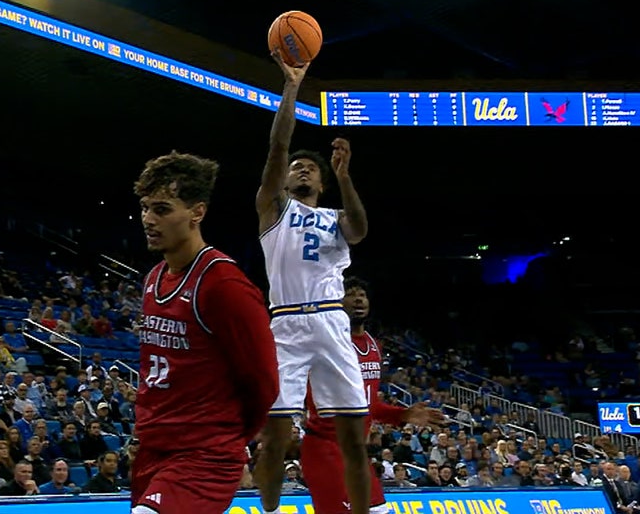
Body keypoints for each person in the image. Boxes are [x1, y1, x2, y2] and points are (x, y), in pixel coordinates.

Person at [253, 53, 372, 514]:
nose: (301, 169)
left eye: (311, 168)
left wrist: (345, 178)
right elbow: (277, 148)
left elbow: (360, 229)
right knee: (275, 437)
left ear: (321, 182)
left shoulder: (335, 215)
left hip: (330, 322)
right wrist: (291, 87)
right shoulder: (273, 208)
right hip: (284, 324)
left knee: (353, 442)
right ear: (284, 179)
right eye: (296, 167)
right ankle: (269, 510)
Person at [130, 152, 279, 514]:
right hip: (153, 449)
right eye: (146, 208)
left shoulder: (223, 284)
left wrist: (227, 438)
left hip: (204, 455)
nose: (149, 219)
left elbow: (264, 380)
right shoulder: (153, 279)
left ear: (197, 212)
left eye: (162, 209)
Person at [300, 278, 448, 514]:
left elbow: (370, 405)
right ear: (336, 301)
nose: (358, 299)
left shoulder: (373, 345)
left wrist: (403, 414)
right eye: (350, 294)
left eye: (362, 295)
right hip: (326, 449)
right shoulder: (324, 344)